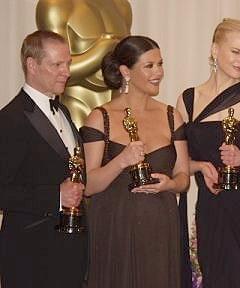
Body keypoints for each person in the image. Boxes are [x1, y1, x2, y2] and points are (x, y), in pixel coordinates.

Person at [80, 35, 189, 288]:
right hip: (114, 229)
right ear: (125, 72)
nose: (158, 72)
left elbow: (183, 177)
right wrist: (121, 161)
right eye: (149, 66)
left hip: (160, 226)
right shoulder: (100, 118)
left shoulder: (172, 116)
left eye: (160, 64)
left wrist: (170, 185)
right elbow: (89, 185)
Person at [176, 18, 240, 288]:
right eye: (235, 51)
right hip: (211, 208)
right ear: (214, 50)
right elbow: (177, 158)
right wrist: (199, 166)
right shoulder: (188, 100)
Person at [0, 30, 87, 288]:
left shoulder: (63, 110)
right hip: (31, 255)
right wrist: (55, 196)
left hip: (71, 251)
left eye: (68, 63)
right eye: (57, 64)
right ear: (32, 65)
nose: (67, 71)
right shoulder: (9, 119)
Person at [36, 0, 132, 127]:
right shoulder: (55, 5)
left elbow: (131, 62)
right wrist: (100, 51)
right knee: (79, 145)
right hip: (78, 103)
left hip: (119, 104)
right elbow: (54, 70)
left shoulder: (122, 6)